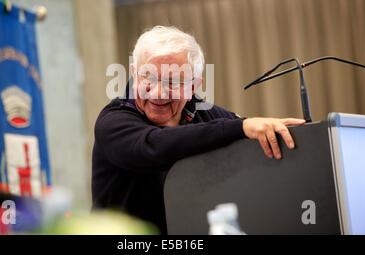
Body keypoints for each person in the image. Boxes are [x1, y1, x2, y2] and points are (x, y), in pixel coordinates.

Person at [92, 26, 305, 234]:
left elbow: (246, 134)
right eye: (148, 77)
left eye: (172, 81)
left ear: (194, 86)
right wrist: (241, 126)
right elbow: (155, 146)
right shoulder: (113, 120)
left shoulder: (208, 115)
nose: (158, 92)